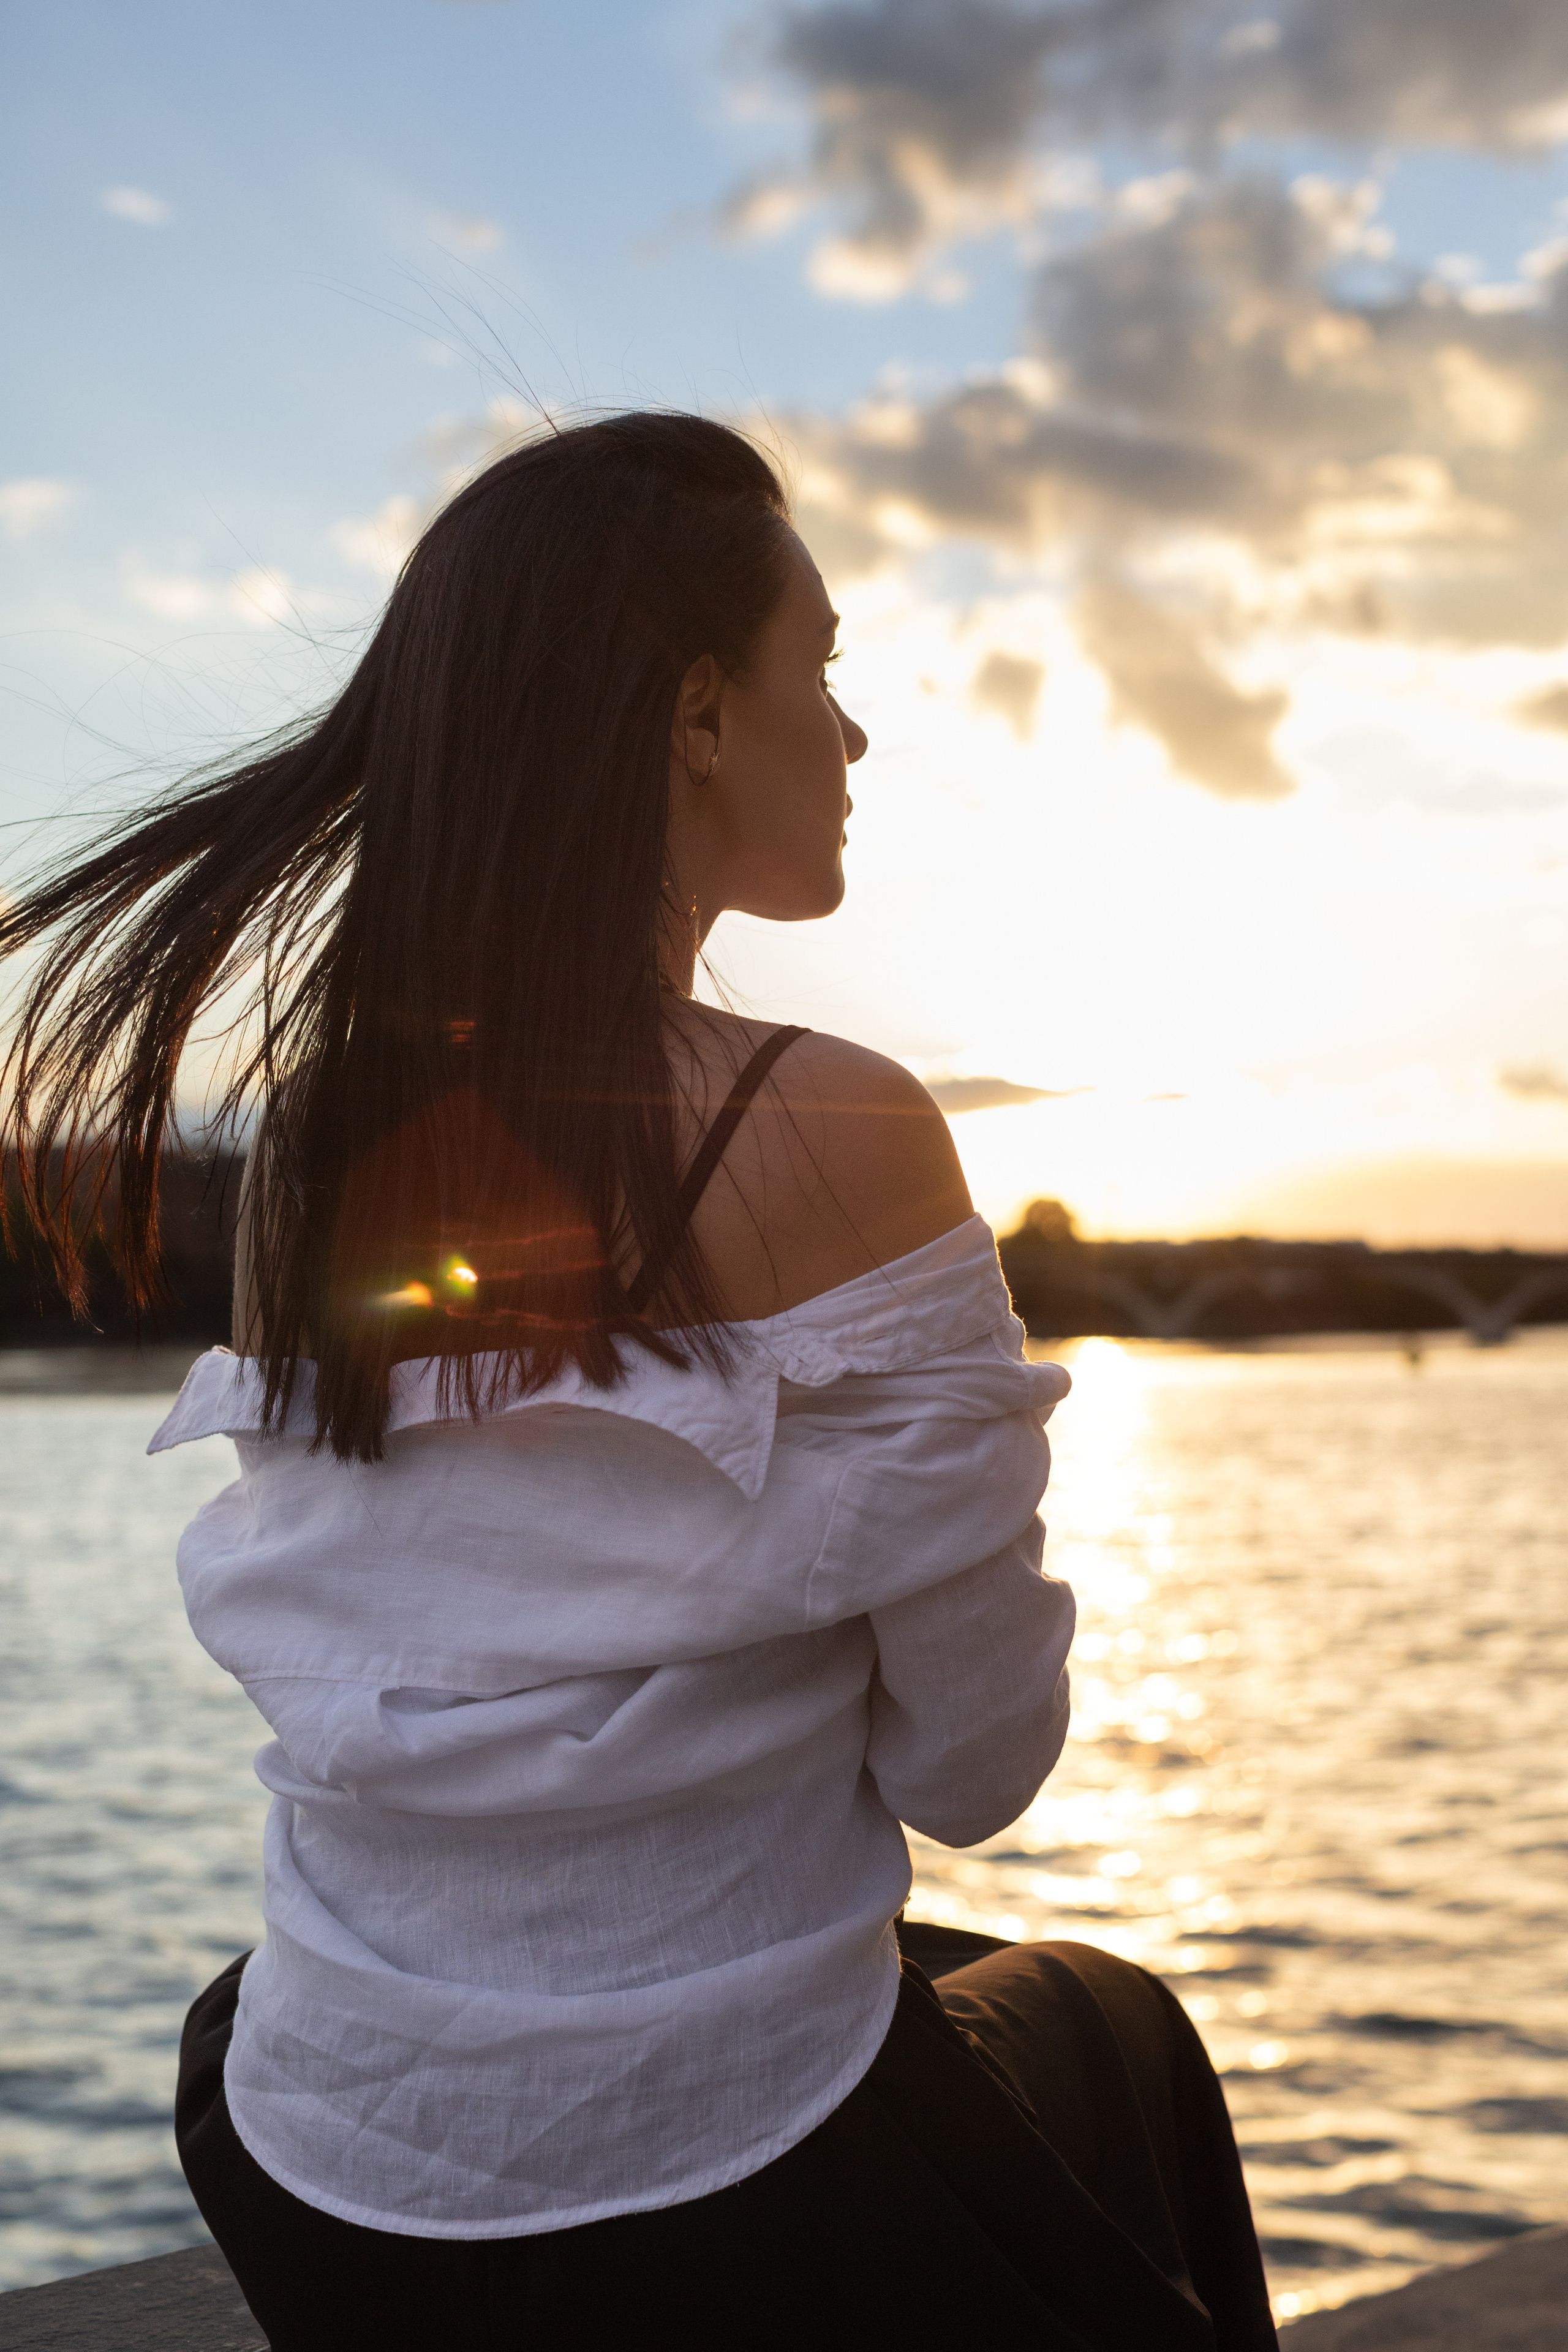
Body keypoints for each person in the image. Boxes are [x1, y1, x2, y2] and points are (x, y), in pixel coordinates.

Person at [0, 412, 1276, 2349]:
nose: (848, 739)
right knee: (1117, 2023)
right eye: (820, 670)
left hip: (340, 2154)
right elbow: (977, 1771)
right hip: (728, 2188)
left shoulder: (310, 1157)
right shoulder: (841, 1129)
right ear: (696, 717)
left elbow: (395, 1659)